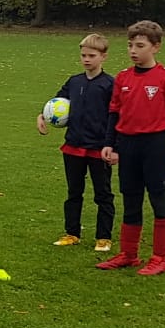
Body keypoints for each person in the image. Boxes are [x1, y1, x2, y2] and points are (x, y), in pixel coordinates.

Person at [98, 21, 165, 276]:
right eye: (130, 45)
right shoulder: (123, 78)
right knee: (130, 198)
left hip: (155, 145)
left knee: (159, 198)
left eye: (139, 46)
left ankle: (161, 258)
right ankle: (129, 254)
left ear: (155, 47)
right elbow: (114, 113)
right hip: (128, 145)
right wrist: (110, 144)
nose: (133, 51)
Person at [38, 33, 116, 250]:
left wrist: (114, 146)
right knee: (74, 192)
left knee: (103, 194)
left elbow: (117, 117)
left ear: (103, 57)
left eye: (92, 55)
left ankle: (104, 237)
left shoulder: (110, 85)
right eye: (83, 55)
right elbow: (56, 103)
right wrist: (41, 115)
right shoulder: (74, 81)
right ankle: (72, 233)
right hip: (73, 146)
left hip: (99, 149)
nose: (86, 59)